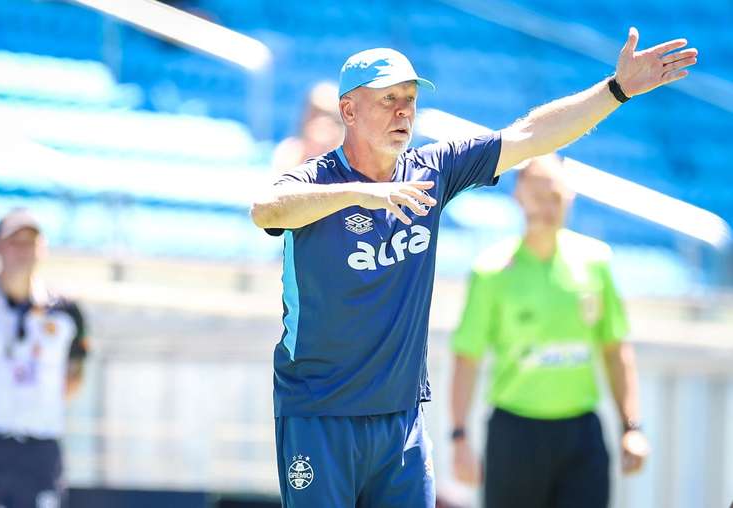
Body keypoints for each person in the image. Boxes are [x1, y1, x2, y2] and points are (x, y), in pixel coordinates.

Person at [250, 28, 695, 508]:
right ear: (349, 110)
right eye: (388, 100)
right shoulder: (317, 178)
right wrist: (362, 192)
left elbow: (528, 135)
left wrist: (616, 89)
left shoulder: (432, 169)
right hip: (319, 414)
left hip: (400, 422)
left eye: (410, 99)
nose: (403, 111)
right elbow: (267, 209)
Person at [449, 155, 649, 508]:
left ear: (570, 198)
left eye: (555, 197)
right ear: (518, 198)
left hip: (581, 434)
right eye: (538, 197)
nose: (547, 207)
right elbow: (467, 358)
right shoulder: (492, 271)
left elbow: (616, 350)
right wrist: (459, 437)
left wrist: (631, 428)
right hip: (515, 434)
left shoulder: (595, 262)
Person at [0, 209, 89, 508]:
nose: (23, 251)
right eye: (14, 241)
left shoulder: (65, 311)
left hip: (37, 450)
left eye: (30, 242)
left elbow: (74, 374)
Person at [272, 81, 345, 172]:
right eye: (315, 113)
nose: (320, 122)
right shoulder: (289, 151)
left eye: (328, 116)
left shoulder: (348, 159)